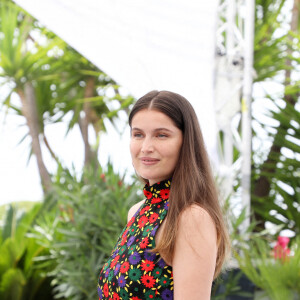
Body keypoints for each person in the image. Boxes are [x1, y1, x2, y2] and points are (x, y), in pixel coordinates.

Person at [97, 90, 230, 300]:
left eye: (161, 135)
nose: (146, 147)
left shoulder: (192, 217)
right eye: (138, 134)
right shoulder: (137, 212)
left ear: (185, 143)